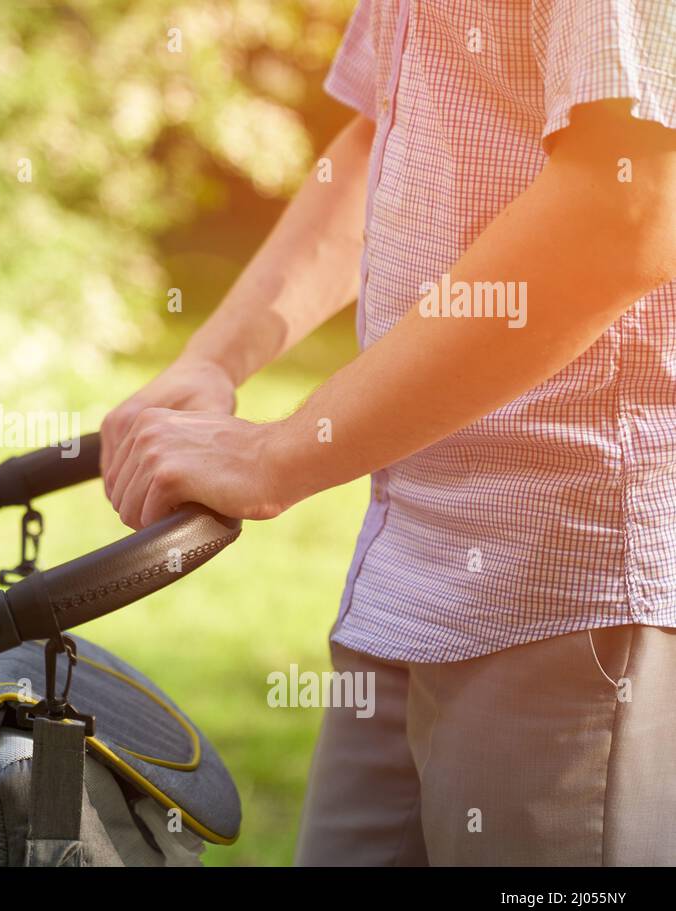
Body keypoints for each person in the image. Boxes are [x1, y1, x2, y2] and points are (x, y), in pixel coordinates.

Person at [100, 0, 676, 865]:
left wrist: (276, 453)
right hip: (406, 584)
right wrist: (215, 362)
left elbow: (624, 210)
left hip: (567, 589)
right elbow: (387, 133)